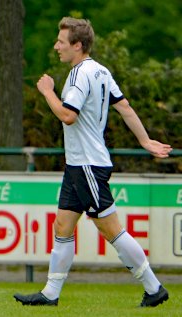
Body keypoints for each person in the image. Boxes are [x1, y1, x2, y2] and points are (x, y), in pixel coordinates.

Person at [13, 17, 172, 308]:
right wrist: (145, 141)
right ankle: (50, 294)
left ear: (77, 45)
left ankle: (154, 288)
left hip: (87, 165)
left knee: (111, 229)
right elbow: (124, 106)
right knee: (62, 225)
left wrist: (47, 91)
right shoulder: (100, 71)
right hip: (80, 165)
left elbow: (67, 115)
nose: (56, 46)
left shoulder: (78, 75)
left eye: (61, 42)